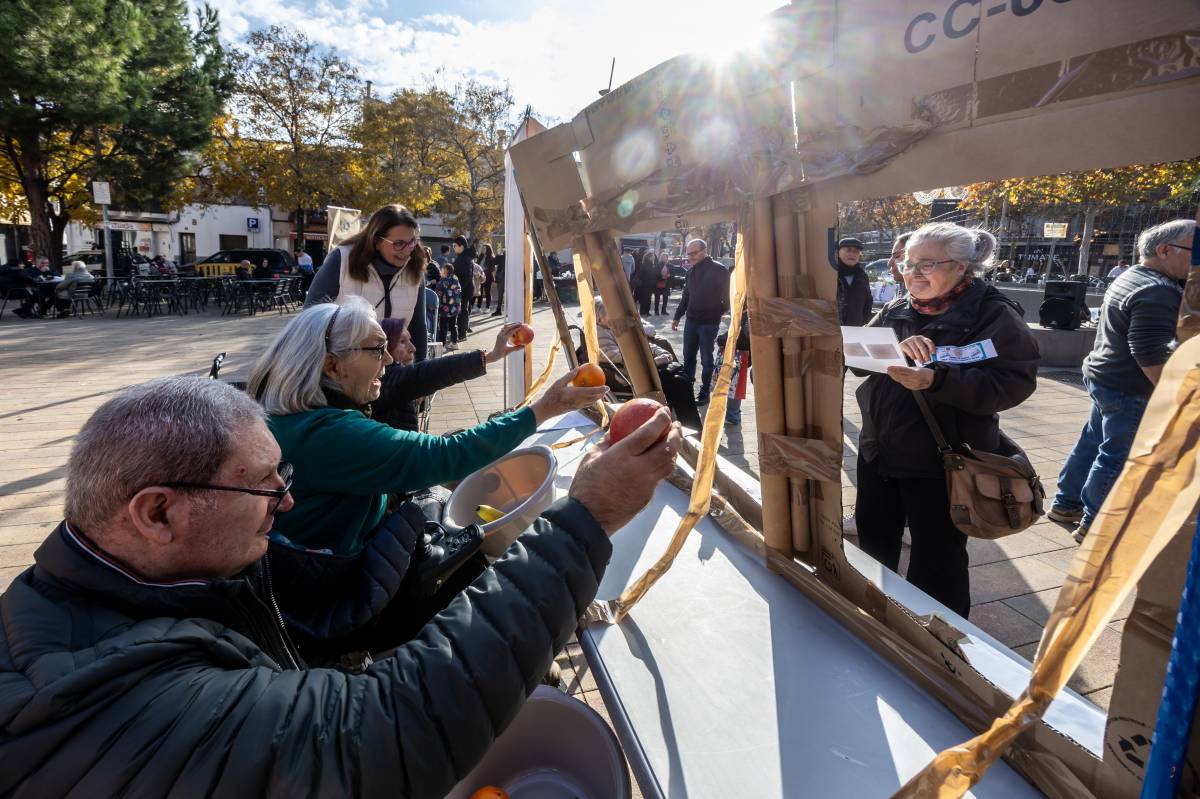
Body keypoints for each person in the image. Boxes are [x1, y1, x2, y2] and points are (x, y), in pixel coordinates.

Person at [0, 374, 680, 798]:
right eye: (264, 483)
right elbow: (377, 730)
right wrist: (586, 519)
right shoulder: (107, 694)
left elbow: (343, 598)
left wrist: (433, 532)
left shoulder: (190, 568)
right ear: (158, 511)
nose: (284, 500)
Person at [248, 298, 609, 557]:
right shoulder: (330, 434)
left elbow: (424, 426)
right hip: (345, 581)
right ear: (332, 366)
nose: (389, 359)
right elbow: (445, 455)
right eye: (377, 349)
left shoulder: (294, 418)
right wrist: (546, 407)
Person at [853, 222, 1039, 618]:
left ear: (961, 267)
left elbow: (1013, 381)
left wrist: (937, 379)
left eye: (927, 264)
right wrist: (891, 349)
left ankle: (940, 640)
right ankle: (870, 619)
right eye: (907, 263)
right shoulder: (897, 306)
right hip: (879, 449)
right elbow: (854, 358)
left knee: (937, 558)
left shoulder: (993, 315)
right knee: (873, 544)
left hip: (942, 459)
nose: (912, 273)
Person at [1050, 219, 1193, 544]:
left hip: (1105, 377)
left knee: (1091, 443)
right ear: (1164, 250)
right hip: (1130, 388)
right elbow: (1149, 351)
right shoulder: (1156, 290)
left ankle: (1064, 504)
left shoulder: (1133, 275)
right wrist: (1172, 393)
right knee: (1117, 454)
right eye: (1194, 252)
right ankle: (1093, 523)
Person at [307, 204, 430, 363]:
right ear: (376, 241)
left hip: (392, 366)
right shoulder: (342, 260)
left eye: (412, 241)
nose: (407, 251)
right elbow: (310, 321)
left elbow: (418, 327)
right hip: (345, 369)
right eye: (399, 244)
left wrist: (420, 374)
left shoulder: (415, 268)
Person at [375, 318, 524, 431]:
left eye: (410, 340)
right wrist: (489, 356)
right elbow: (431, 373)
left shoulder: (395, 382)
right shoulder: (384, 381)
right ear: (385, 349)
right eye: (402, 342)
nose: (412, 348)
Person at [672, 238, 730, 405]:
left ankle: (704, 391)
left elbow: (726, 298)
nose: (690, 257)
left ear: (704, 251)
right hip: (691, 321)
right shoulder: (690, 272)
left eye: (693, 253)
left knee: (706, 359)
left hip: (709, 323)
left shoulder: (719, 270)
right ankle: (687, 388)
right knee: (688, 356)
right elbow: (686, 297)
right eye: (688, 253)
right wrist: (677, 316)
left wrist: (717, 312)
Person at [835, 236, 872, 326]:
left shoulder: (863, 277)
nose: (852, 254)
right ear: (838, 252)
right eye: (848, 250)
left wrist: (863, 323)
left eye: (856, 251)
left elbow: (868, 302)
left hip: (856, 330)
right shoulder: (832, 274)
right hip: (833, 329)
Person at [435, 263, 462, 350]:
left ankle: (442, 345)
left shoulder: (442, 282)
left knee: (443, 327)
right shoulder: (456, 280)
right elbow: (459, 292)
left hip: (444, 309)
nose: (440, 271)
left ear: (445, 272)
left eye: (441, 270)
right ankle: (455, 343)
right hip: (454, 308)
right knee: (453, 325)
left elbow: (438, 295)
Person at [632, 249, 658, 316]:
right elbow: (639, 275)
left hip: (650, 285)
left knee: (648, 299)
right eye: (652, 256)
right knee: (644, 299)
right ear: (649, 258)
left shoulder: (652, 265)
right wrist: (642, 284)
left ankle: (647, 311)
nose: (654, 257)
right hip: (645, 286)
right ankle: (643, 312)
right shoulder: (645, 265)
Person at [653, 249, 672, 315]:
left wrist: (670, 275)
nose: (663, 258)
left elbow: (673, 274)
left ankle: (663, 311)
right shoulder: (658, 265)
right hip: (658, 283)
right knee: (657, 298)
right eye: (662, 257)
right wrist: (661, 276)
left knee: (665, 298)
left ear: (667, 258)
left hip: (666, 284)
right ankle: (656, 311)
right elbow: (655, 273)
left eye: (665, 257)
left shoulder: (670, 265)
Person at [479, 243, 496, 310]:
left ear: (488, 249)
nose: (483, 249)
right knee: (479, 292)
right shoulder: (480, 256)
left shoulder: (491, 257)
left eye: (484, 248)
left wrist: (484, 271)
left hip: (488, 277)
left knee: (487, 292)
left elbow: (492, 268)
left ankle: (487, 307)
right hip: (480, 277)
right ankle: (478, 307)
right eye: (482, 248)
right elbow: (477, 265)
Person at [490, 251, 506, 317]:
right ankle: (499, 309)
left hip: (507, 277)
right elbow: (494, 262)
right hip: (501, 277)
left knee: (503, 293)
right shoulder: (501, 256)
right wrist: (498, 255)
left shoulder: (513, 256)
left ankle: (500, 309)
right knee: (500, 293)